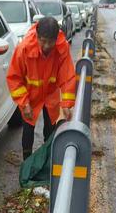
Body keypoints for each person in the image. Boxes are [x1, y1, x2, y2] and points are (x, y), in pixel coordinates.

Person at [6, 16, 76, 160]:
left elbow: (67, 76)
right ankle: (27, 162)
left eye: (50, 42)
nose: (46, 46)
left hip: (51, 93)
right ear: (37, 36)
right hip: (30, 95)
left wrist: (67, 104)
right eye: (43, 41)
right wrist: (24, 103)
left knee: (50, 128)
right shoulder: (24, 48)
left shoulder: (61, 48)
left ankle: (46, 160)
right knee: (28, 128)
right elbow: (14, 77)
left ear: (56, 39)